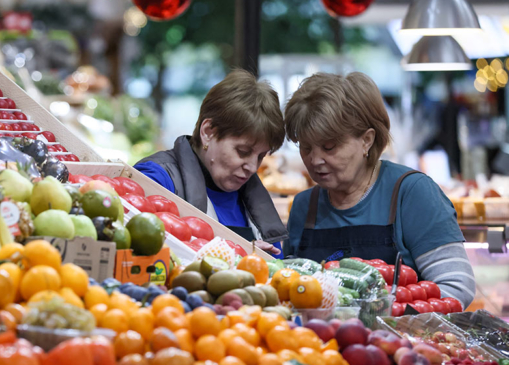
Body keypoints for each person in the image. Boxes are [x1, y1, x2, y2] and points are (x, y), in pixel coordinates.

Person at [283, 72, 475, 307]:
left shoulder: (412, 193)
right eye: (306, 147)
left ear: (367, 140)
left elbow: (456, 286)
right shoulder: (304, 206)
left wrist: (389, 319)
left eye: (329, 147)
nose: (315, 160)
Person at [135, 69, 288, 256]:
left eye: (260, 156)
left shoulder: (256, 200)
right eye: (243, 151)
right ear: (208, 132)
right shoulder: (156, 179)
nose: (252, 167)